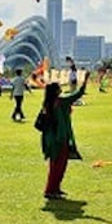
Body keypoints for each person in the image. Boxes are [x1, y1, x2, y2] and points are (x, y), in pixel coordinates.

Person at [40, 71, 87, 199]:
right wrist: (85, 81)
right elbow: (77, 95)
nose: (61, 89)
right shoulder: (60, 102)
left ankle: (55, 188)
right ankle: (50, 190)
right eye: (59, 87)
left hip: (51, 139)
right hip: (60, 138)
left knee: (56, 165)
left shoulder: (48, 103)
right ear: (56, 91)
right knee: (58, 166)